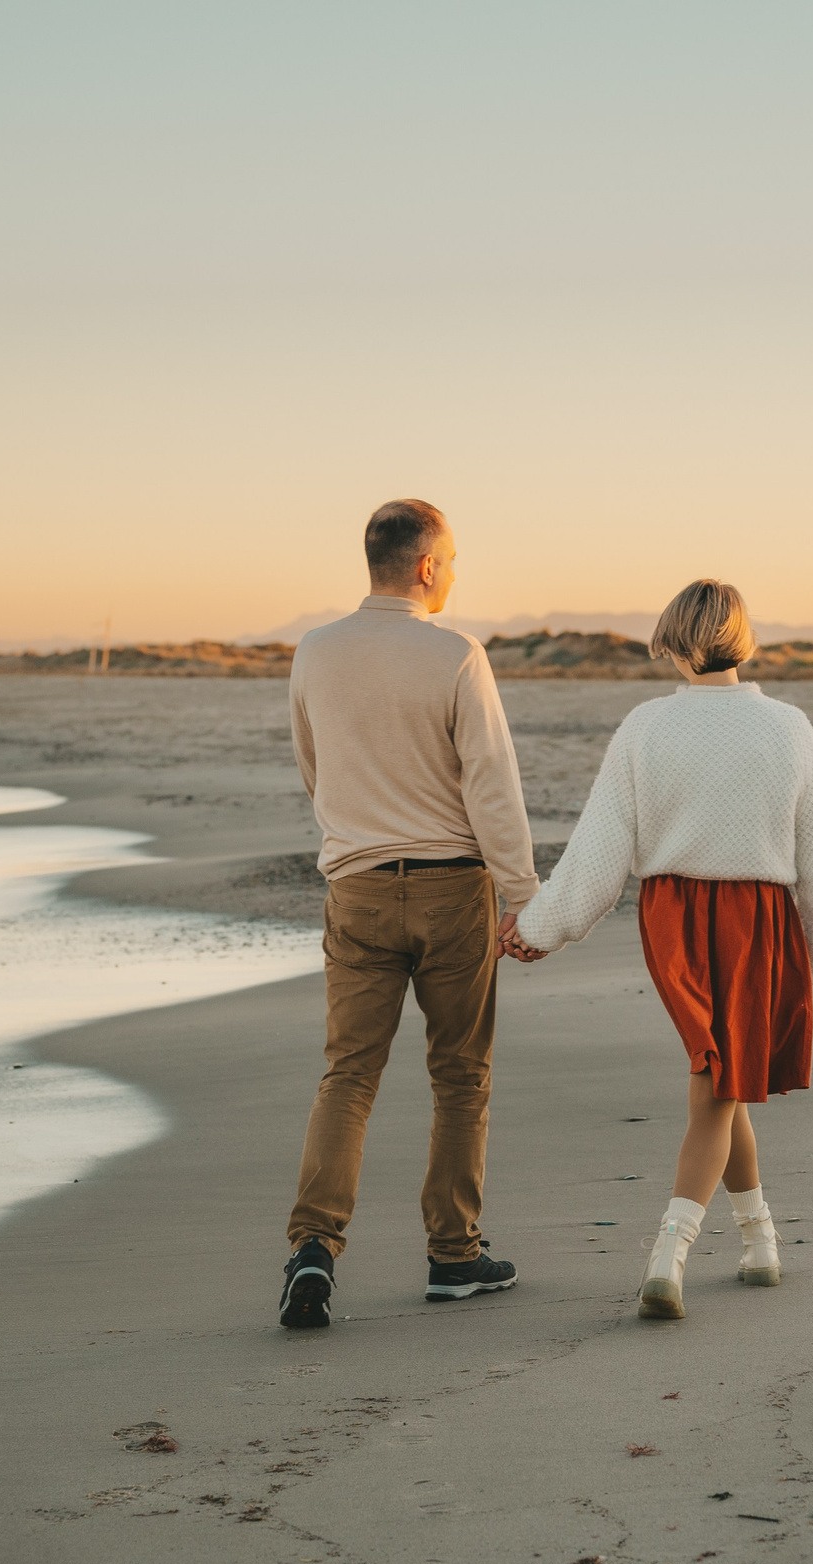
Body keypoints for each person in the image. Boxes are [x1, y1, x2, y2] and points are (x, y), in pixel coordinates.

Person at [504, 579, 813, 1320]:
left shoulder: (645, 726)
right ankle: (670, 1255)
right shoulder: (787, 725)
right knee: (722, 1077)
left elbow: (599, 849)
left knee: (721, 1074)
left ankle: (760, 1243)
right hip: (759, 919)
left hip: (674, 921)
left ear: (674, 641)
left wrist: (541, 927)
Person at [276, 499, 539, 1329]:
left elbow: (312, 766)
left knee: (348, 1075)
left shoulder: (315, 652)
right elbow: (490, 785)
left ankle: (314, 1247)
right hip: (454, 888)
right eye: (452, 558)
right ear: (425, 565)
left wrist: (356, 835)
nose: (455, 571)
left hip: (355, 887)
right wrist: (526, 896)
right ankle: (453, 1254)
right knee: (460, 1075)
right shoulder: (456, 652)